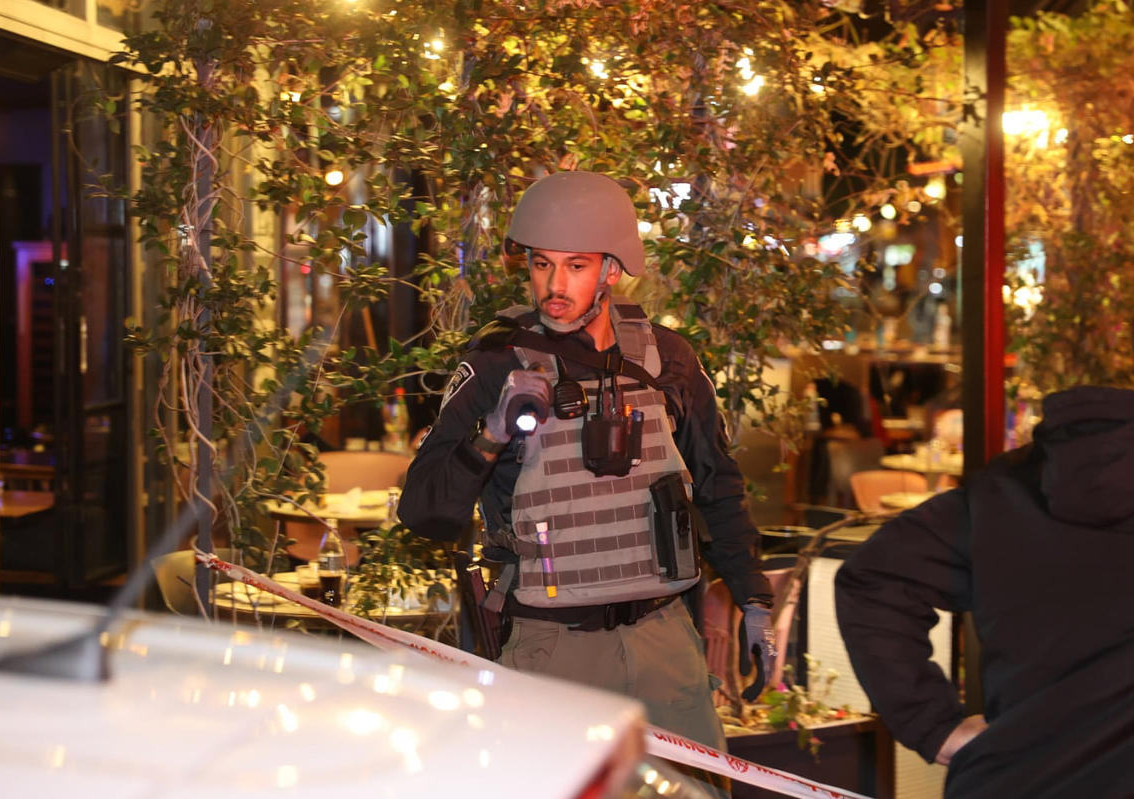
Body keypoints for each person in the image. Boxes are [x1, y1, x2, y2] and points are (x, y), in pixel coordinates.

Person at [398, 171, 776, 780]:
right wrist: (493, 433)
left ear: (611, 270)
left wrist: (754, 599)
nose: (554, 285)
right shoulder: (495, 361)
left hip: (663, 640)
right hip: (553, 645)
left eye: (575, 265)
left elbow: (718, 484)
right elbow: (421, 510)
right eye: (542, 265)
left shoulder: (668, 359)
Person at [835, 385, 1134, 799]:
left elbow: (874, 578)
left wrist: (933, 727)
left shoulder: (1000, 495)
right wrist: (934, 727)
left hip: (1012, 776)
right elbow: (874, 579)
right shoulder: (1000, 495)